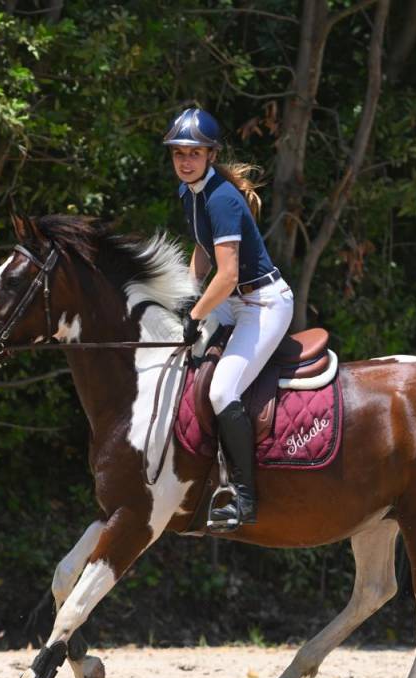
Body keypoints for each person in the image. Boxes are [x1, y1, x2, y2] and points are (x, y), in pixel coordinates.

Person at [164, 107, 294, 529]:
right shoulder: (190, 192)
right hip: (230, 298)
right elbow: (203, 249)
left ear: (210, 154)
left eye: (194, 154)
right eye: (179, 153)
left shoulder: (221, 198)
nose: (185, 161)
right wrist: (186, 296)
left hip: (262, 304)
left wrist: (197, 312)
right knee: (172, 346)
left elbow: (229, 274)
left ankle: (244, 497)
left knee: (222, 392)